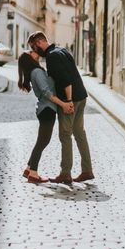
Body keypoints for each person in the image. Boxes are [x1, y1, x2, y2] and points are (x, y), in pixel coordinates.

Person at [27, 31, 94, 185]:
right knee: (79, 133)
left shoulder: (51, 56)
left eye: (34, 47)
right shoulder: (62, 50)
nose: (35, 51)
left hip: (70, 99)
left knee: (65, 135)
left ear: (39, 42)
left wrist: (68, 101)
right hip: (81, 96)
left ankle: (65, 173)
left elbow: (65, 79)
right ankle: (87, 170)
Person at [18, 50, 74, 184]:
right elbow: (46, 92)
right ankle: (33, 174)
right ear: (29, 59)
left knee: (42, 140)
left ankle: (29, 169)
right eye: (31, 52)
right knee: (43, 141)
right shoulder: (37, 72)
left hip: (46, 109)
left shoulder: (36, 70)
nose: (34, 52)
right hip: (47, 109)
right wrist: (63, 104)